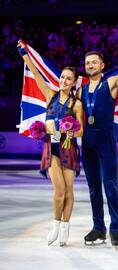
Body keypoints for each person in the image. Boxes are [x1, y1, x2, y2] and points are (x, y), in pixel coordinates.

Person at [17, 40, 84, 246]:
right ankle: (56, 224)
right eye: (62, 77)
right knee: (60, 190)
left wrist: (69, 131)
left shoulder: (76, 103)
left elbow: (81, 129)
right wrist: (25, 55)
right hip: (52, 148)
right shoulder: (50, 96)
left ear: (73, 82)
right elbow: (37, 75)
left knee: (70, 191)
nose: (63, 80)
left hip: (69, 148)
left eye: (68, 79)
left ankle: (66, 226)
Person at [76, 50, 118, 247]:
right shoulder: (81, 91)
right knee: (94, 189)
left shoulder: (110, 83)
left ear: (102, 66)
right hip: (88, 144)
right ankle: (98, 228)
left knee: (110, 186)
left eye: (95, 62)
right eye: (88, 63)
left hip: (106, 143)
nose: (91, 65)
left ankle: (115, 227)